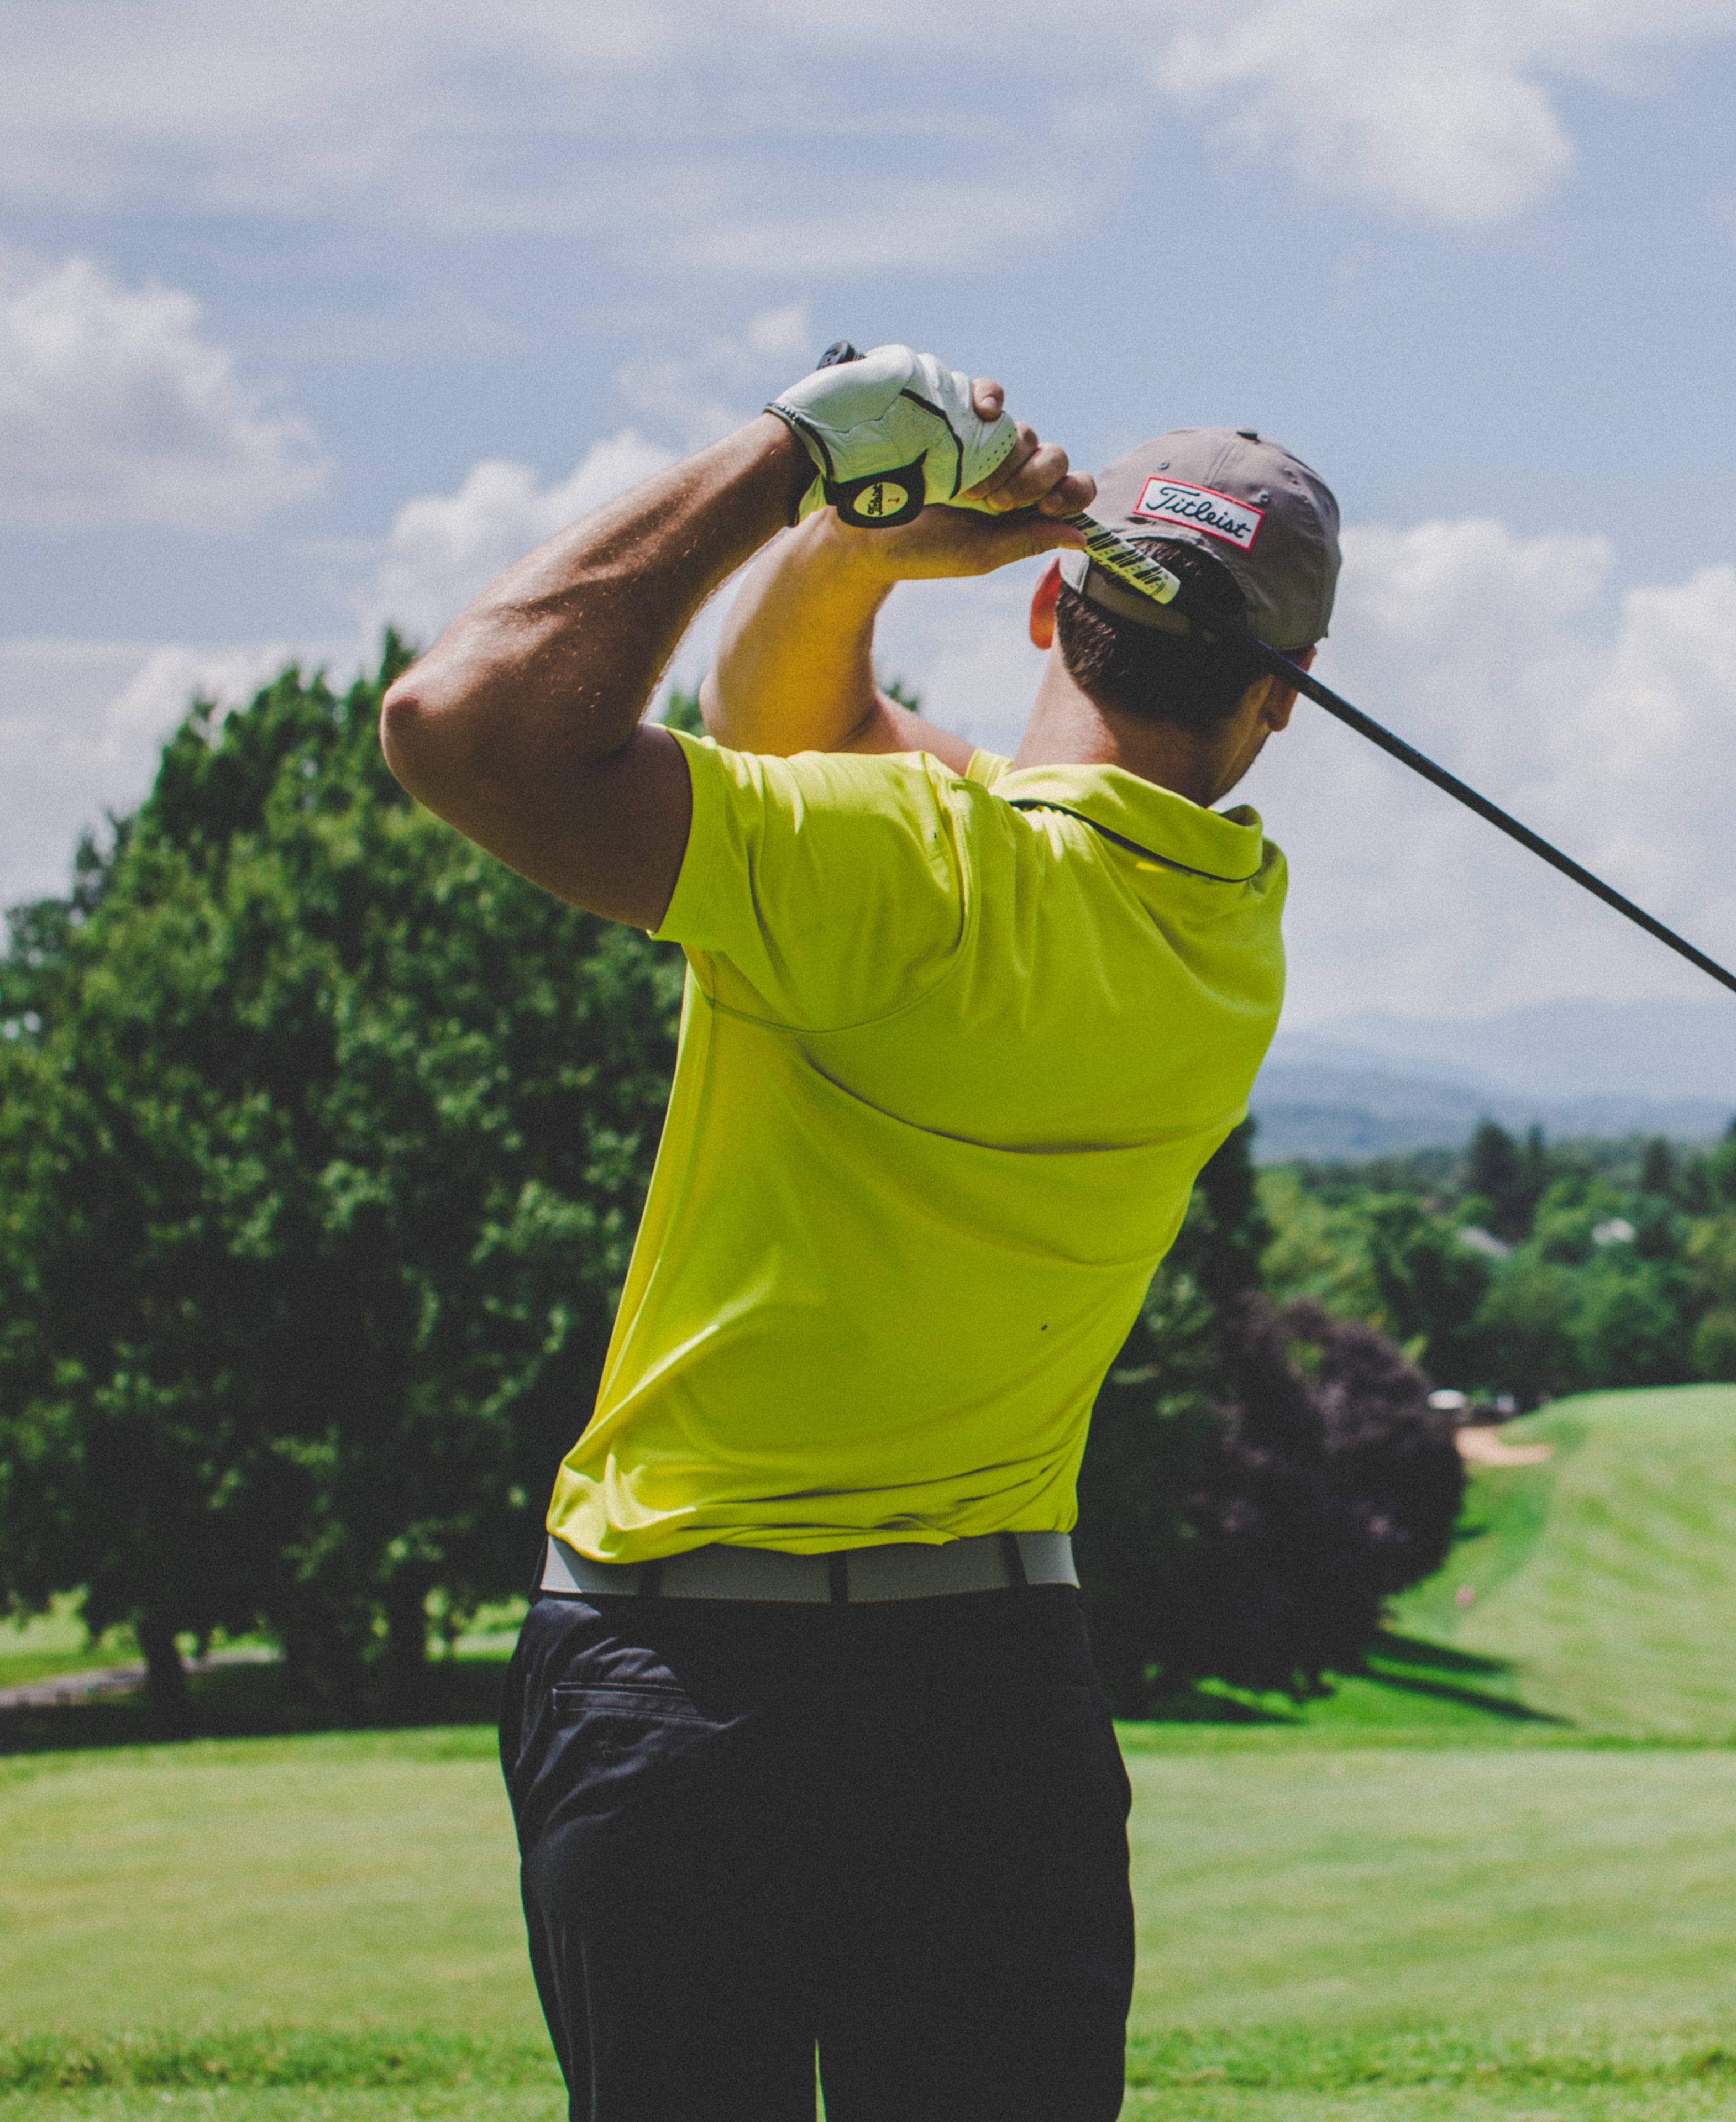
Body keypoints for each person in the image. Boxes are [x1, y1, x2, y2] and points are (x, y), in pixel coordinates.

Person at [380, 344, 1341, 2122]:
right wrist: (850, 557)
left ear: (1053, 601)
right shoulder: (1225, 950)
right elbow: (809, 737)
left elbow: (460, 722)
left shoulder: (895, 865)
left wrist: (813, 463)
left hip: (674, 1681)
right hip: (995, 1703)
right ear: (1279, 703)